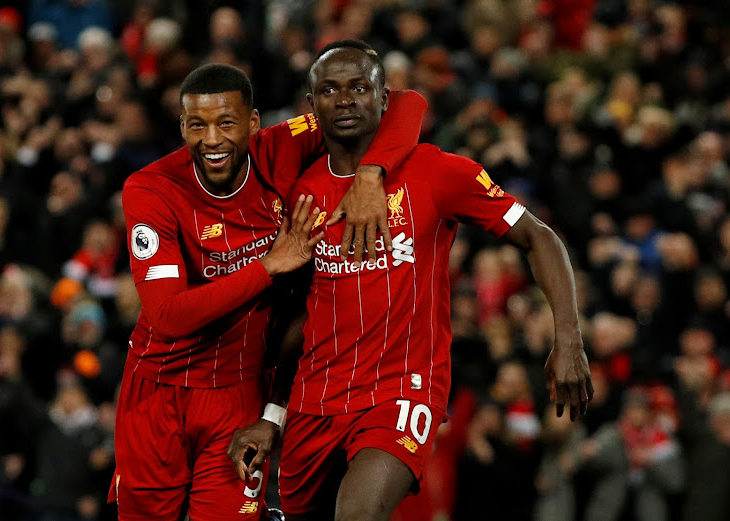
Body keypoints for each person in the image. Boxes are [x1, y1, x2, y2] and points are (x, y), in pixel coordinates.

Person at [228, 40, 594, 521]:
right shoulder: (301, 193)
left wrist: (567, 340)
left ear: (384, 98)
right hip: (314, 402)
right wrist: (273, 415)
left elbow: (539, 237)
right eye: (330, 90)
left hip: (402, 391)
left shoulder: (437, 172)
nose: (345, 99)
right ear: (311, 105)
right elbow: (297, 314)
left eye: (360, 87)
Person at [108, 62, 425, 521]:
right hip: (157, 392)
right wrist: (270, 266)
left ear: (254, 124)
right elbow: (169, 317)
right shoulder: (151, 188)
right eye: (197, 125)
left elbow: (404, 103)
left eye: (227, 123)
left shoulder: (283, 146)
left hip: (238, 395)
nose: (212, 140)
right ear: (182, 126)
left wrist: (371, 175)